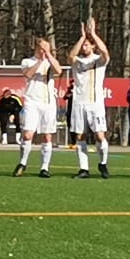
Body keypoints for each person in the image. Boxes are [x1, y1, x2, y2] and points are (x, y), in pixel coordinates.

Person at [68, 20, 112, 178]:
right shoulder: (77, 61)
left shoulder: (98, 60)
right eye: (83, 45)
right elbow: (70, 56)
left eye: (87, 44)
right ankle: (84, 169)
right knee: (80, 136)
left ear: (93, 46)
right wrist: (82, 37)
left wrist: (93, 34)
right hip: (79, 103)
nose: (85, 47)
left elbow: (106, 53)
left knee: (100, 135)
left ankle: (103, 163)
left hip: (95, 103)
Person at [15, 36, 63, 178]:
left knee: (47, 136)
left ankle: (44, 167)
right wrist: (40, 61)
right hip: (32, 101)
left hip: (48, 103)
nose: (44, 51)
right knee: (28, 134)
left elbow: (59, 70)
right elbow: (28, 74)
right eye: (42, 48)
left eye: (47, 49)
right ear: (36, 48)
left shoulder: (50, 62)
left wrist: (49, 57)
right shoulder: (28, 61)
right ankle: (23, 162)